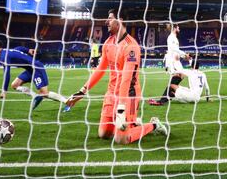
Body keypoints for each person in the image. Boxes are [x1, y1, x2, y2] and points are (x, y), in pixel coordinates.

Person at [66, 9, 167, 144]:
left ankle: (153, 124)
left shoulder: (131, 47)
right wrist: (82, 91)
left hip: (128, 95)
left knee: (121, 139)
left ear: (120, 21)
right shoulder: (108, 43)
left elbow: (126, 80)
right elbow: (100, 69)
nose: (106, 21)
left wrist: (121, 108)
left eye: (110, 18)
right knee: (104, 134)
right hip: (111, 93)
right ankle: (132, 123)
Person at [0, 40, 68, 110]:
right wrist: (28, 50)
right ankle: (35, 96)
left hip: (36, 68)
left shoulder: (4, 56)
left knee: (44, 93)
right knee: (15, 85)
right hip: (30, 70)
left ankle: (67, 101)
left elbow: (6, 73)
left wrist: (4, 91)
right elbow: (18, 48)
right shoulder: (8, 51)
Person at [149, 24, 190, 106]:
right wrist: (184, 54)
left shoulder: (174, 38)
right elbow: (174, 49)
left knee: (180, 77)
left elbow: (176, 50)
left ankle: (169, 95)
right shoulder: (171, 38)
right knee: (178, 77)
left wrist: (183, 56)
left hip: (177, 62)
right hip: (173, 62)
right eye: (178, 27)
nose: (179, 28)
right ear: (174, 28)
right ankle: (162, 100)